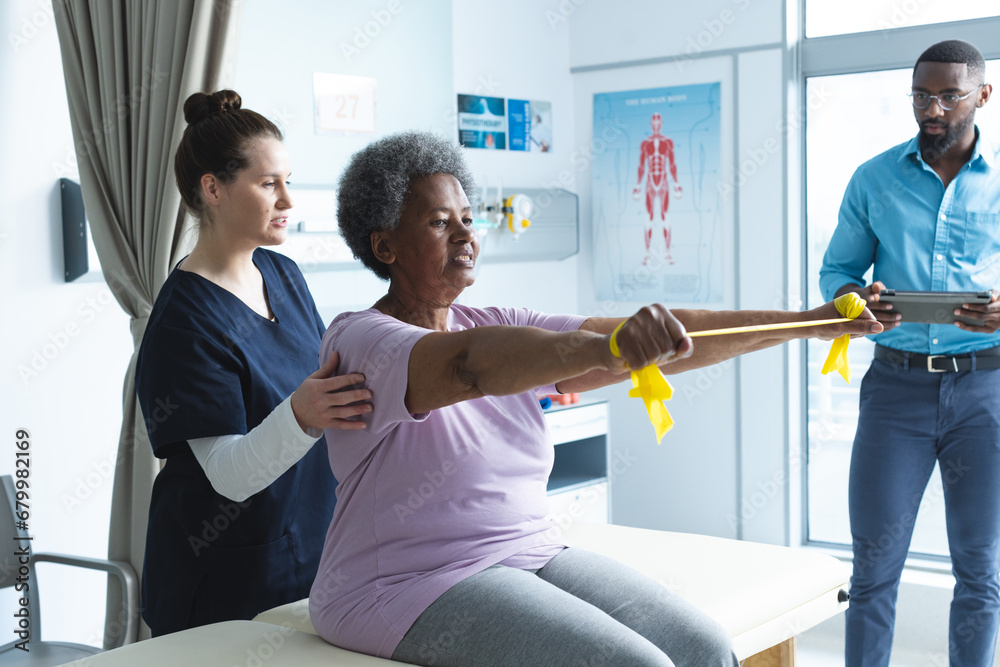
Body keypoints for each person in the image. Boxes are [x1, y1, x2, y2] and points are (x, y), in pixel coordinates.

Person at [308, 130, 882, 666]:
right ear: (385, 246)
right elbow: (468, 366)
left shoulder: (499, 321)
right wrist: (609, 350)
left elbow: (675, 335)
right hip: (402, 583)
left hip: (527, 547)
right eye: (438, 222)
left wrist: (808, 323)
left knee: (705, 647)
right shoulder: (361, 339)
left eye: (467, 217)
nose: (465, 234)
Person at [135, 90, 372, 636]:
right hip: (224, 579)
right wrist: (305, 414)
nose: (288, 199)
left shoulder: (283, 274)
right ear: (213, 188)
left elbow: (325, 387)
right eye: (269, 184)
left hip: (314, 550)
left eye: (288, 180)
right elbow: (230, 476)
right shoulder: (183, 321)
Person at [819, 40, 1000, 666]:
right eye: (922, 95)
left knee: (980, 574)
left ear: (983, 95)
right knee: (872, 569)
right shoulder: (873, 178)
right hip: (894, 391)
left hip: (986, 393)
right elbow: (838, 271)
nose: (933, 109)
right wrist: (854, 303)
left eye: (949, 95)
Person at [634, 111, 682, 266]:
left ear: (661, 125)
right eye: (653, 124)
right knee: (648, 217)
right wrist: (637, 186)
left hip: (663, 181)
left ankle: (667, 252)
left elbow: (672, 164)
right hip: (649, 182)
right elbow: (641, 165)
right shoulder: (645, 143)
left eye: (658, 124)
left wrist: (676, 183)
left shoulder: (667, 142)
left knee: (664, 216)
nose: (655, 126)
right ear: (651, 125)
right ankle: (647, 254)